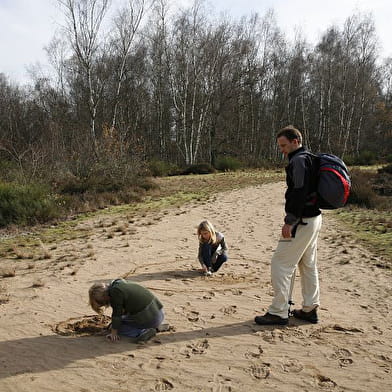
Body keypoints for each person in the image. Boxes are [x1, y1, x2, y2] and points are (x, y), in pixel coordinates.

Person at [255, 125, 322, 325]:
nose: (282, 150)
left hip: (302, 221)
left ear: (296, 142)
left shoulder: (299, 161)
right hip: (314, 219)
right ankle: (310, 308)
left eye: (284, 145)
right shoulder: (309, 158)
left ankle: (279, 311)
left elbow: (299, 192)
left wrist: (290, 221)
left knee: (281, 264)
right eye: (280, 146)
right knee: (307, 264)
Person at [89, 278, 164, 342]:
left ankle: (143, 332)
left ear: (104, 296)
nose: (105, 304)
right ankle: (156, 326)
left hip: (151, 319)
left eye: (102, 302)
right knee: (119, 322)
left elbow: (117, 315)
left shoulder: (115, 294)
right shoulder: (119, 283)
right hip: (159, 313)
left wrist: (114, 332)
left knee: (120, 328)